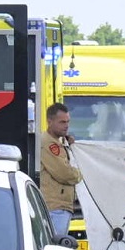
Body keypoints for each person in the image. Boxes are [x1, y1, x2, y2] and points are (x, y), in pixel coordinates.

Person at [37, 102, 84, 242]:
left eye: (68, 121)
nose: (66, 125)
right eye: (62, 122)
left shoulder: (59, 142)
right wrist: (80, 174)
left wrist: (69, 146)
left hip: (60, 206)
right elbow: (64, 173)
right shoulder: (49, 144)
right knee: (55, 248)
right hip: (55, 206)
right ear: (49, 122)